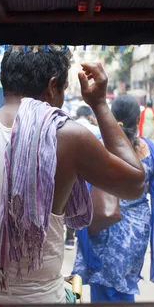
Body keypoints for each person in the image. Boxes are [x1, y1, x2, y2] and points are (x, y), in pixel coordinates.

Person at [0, 47, 146, 304]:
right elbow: (135, 184)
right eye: (63, 89)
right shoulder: (69, 137)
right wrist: (99, 104)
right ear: (52, 87)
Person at [72, 95, 154, 302]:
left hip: (102, 222)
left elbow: (82, 182)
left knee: (102, 284)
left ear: (110, 117)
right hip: (136, 231)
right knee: (125, 285)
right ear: (138, 122)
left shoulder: (98, 146)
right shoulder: (149, 150)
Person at [64, 105, 101, 250]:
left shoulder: (67, 126)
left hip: (71, 172)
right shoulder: (97, 130)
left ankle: (69, 238)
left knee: (70, 203)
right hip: (90, 174)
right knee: (87, 204)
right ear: (89, 116)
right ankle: (84, 237)